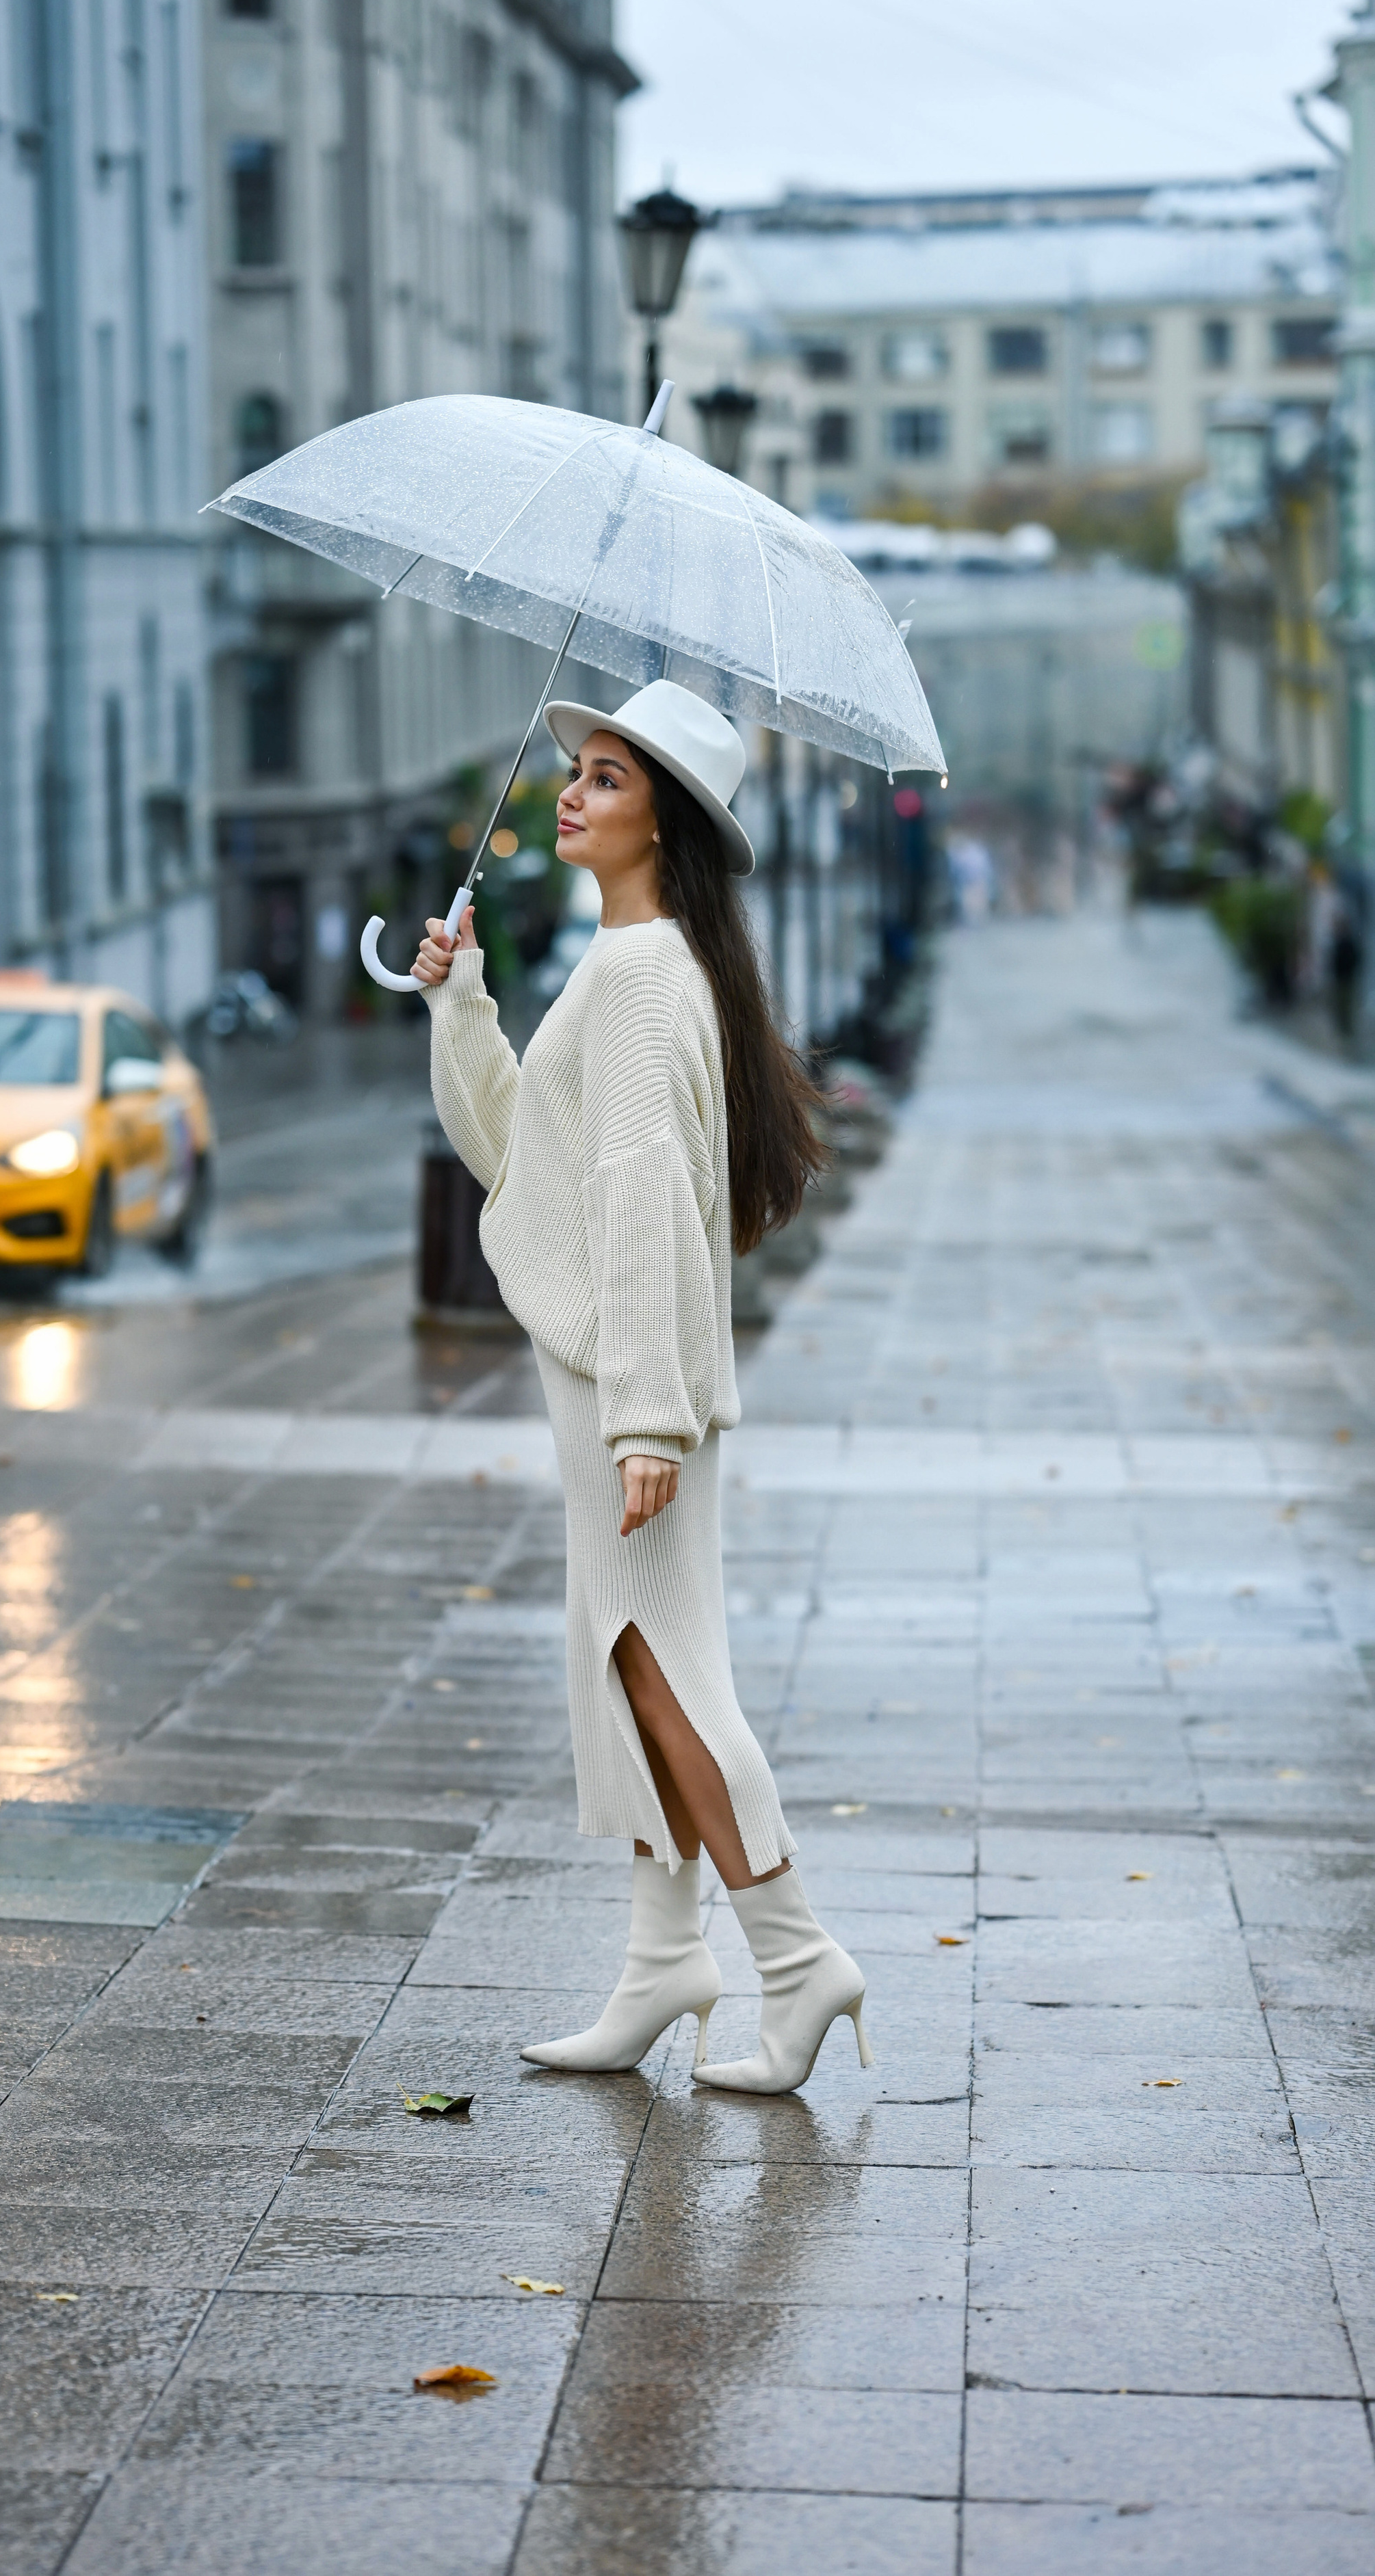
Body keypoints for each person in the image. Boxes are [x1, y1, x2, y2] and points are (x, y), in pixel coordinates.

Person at [414, 680, 874, 2095]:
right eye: (576, 774)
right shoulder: (621, 965)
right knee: (622, 1661)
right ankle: (660, 1958)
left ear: (662, 821)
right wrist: (463, 996)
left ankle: (794, 1964)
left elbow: (641, 1206)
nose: (570, 794)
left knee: (662, 1669)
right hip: (607, 1377)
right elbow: (524, 1156)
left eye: (605, 779)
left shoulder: (643, 975)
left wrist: (647, 1421)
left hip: (628, 1386)